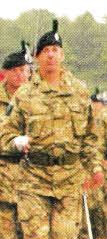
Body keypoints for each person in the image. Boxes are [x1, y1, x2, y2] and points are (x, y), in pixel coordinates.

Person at [0, 19, 104, 239]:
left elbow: (90, 137)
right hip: (34, 181)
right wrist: (17, 143)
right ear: (37, 58)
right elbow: (5, 136)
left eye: (55, 50)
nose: (51, 55)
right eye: (46, 51)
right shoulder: (25, 95)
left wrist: (94, 167)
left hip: (69, 180)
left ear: (62, 55)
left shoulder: (79, 92)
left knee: (65, 235)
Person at [0, 40, 32, 239]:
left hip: (33, 180)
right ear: (6, 72)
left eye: (24, 70)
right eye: (16, 71)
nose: (21, 75)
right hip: (4, 180)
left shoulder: (36, 97)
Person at [79, 88, 107, 239]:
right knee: (89, 218)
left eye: (101, 103)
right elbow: (94, 148)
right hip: (87, 175)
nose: (98, 106)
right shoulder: (88, 121)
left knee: (105, 218)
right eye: (95, 103)